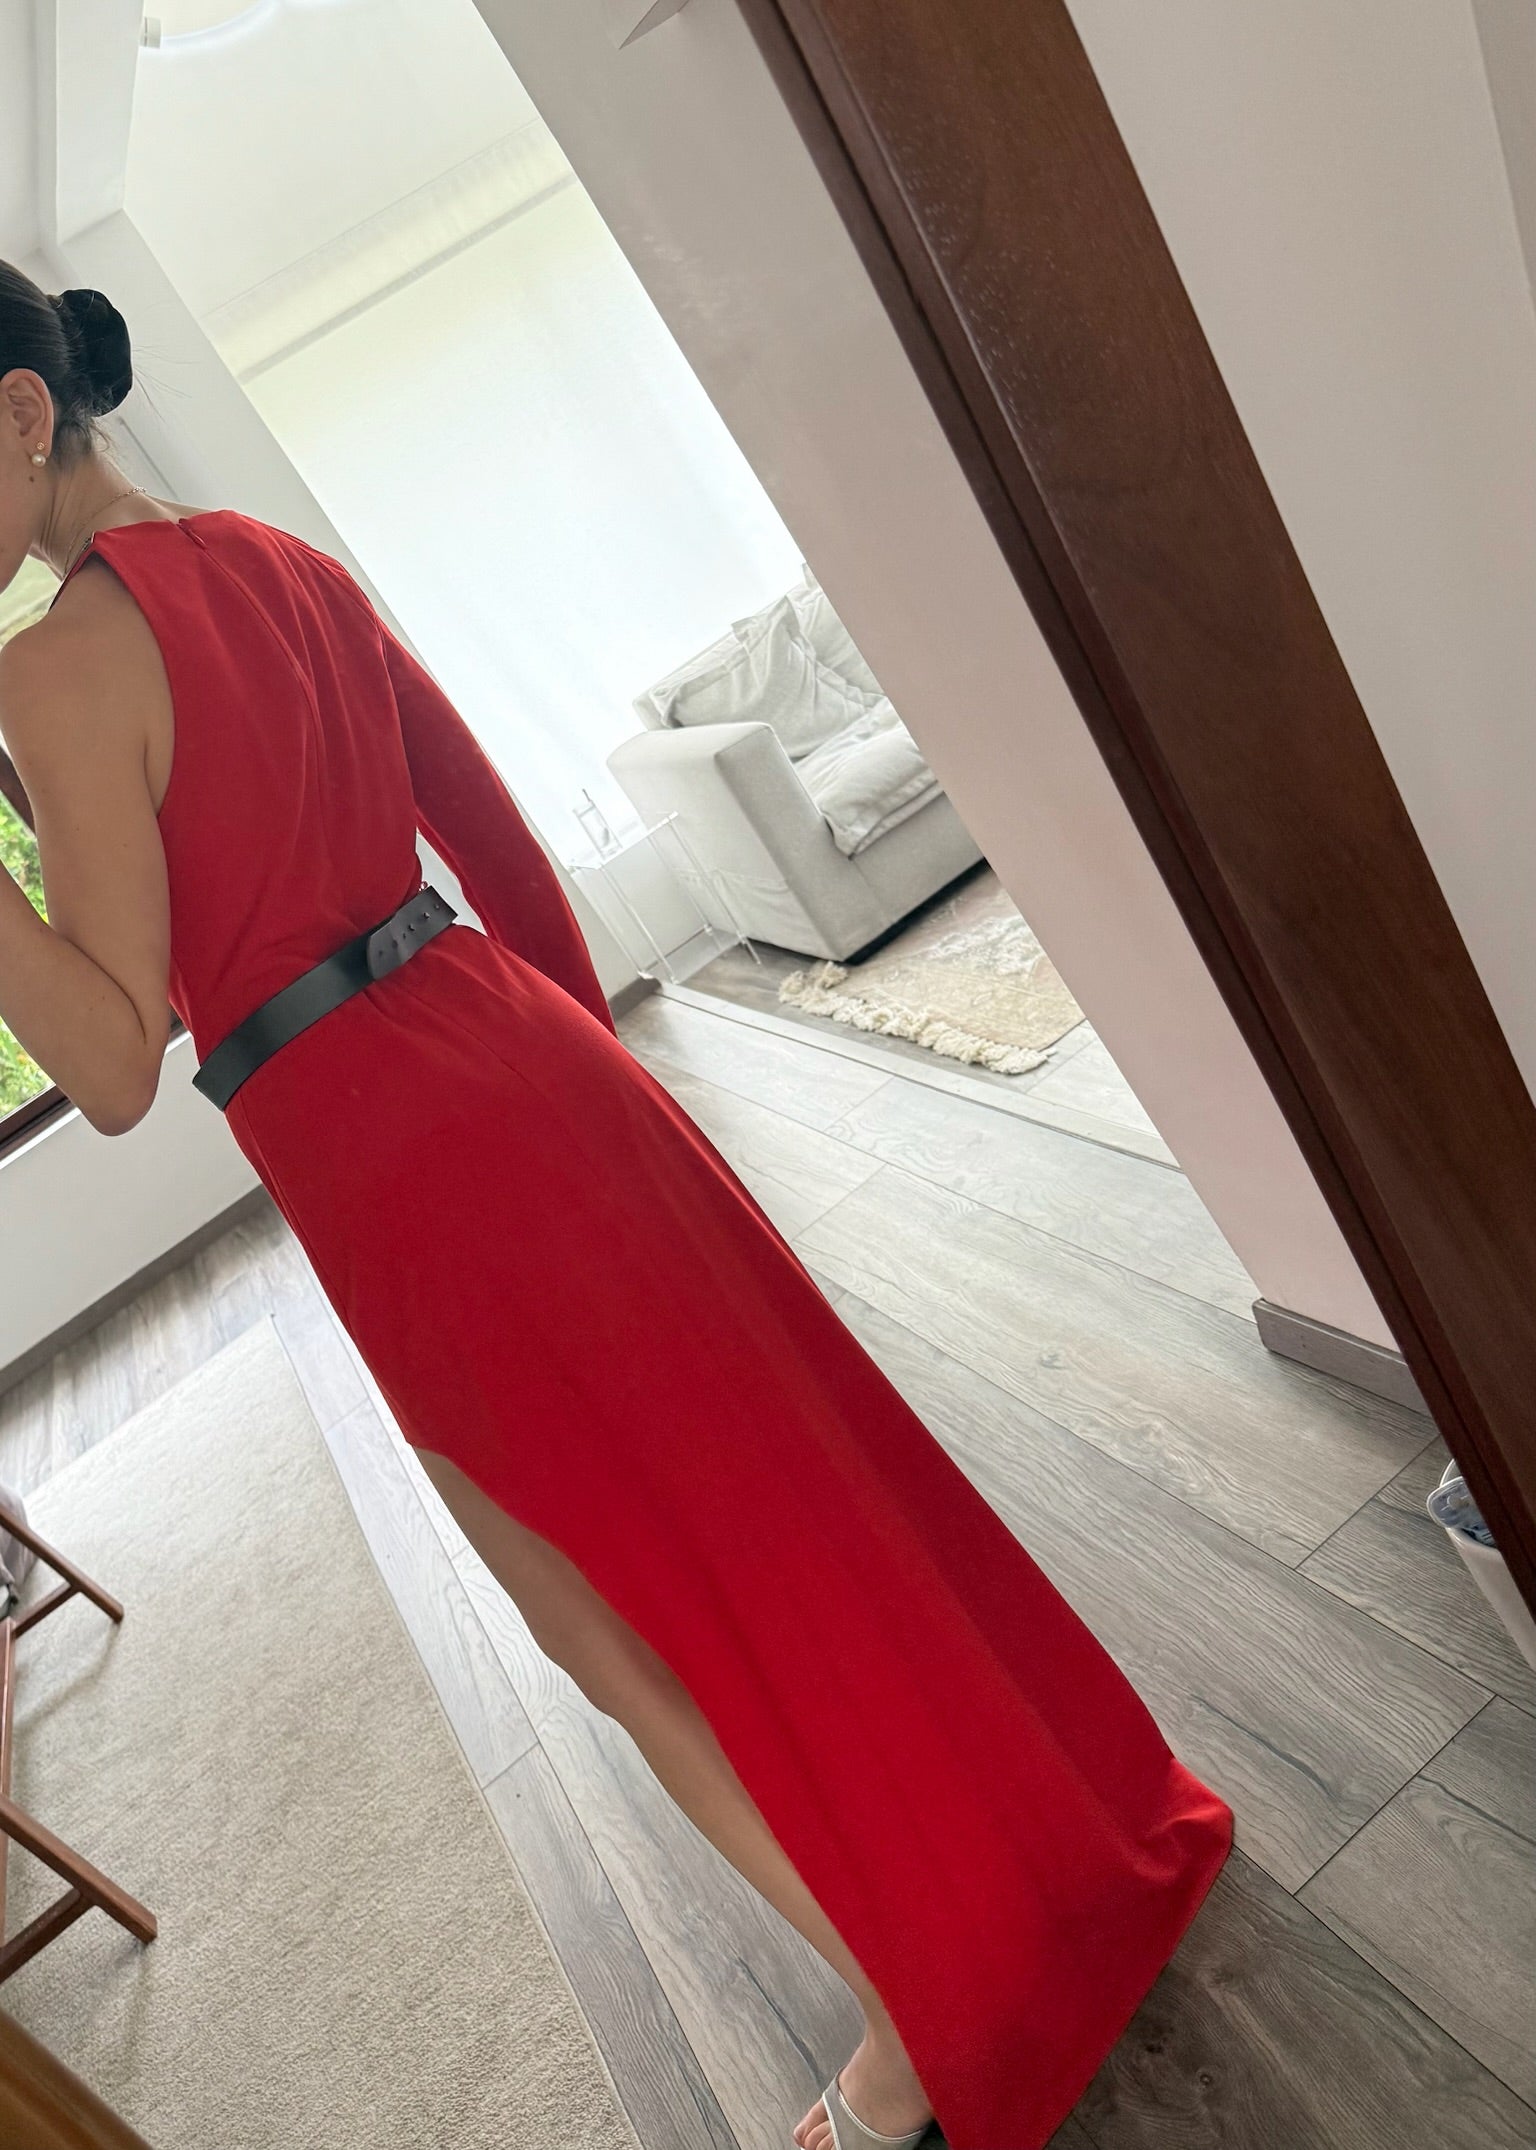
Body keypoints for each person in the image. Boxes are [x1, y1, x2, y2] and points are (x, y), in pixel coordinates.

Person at [0, 266, 1233, 2150]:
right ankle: (1051, 1831)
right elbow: (492, 834)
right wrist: (602, 1092)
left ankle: (911, 2017)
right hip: (529, 1060)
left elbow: (106, 1062)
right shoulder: (284, 561)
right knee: (808, 1485)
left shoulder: (52, 670)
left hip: (396, 1161)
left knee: (602, 1619)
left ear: (22, 415)